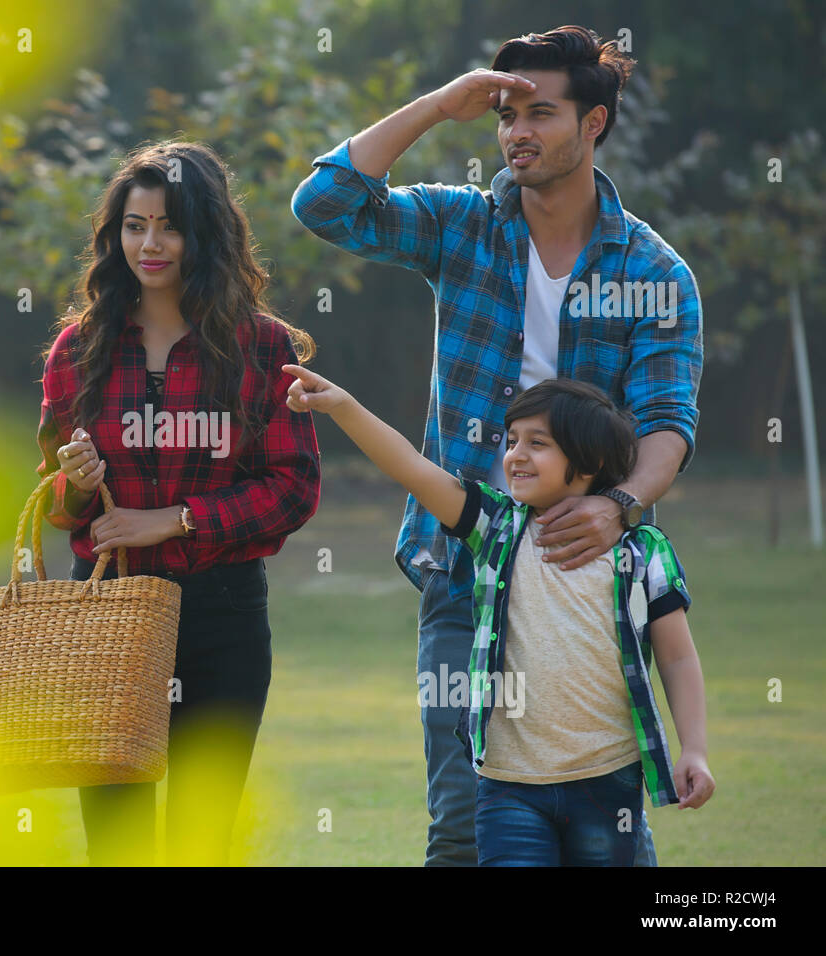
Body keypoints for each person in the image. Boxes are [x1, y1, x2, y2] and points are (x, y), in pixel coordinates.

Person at [290, 24, 703, 865]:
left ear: (593, 124)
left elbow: (667, 425)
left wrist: (618, 509)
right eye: (505, 114)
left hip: (586, 576)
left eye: (540, 113)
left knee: (603, 826)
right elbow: (324, 204)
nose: (516, 131)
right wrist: (441, 107)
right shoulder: (464, 225)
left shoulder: (655, 273)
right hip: (463, 565)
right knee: (463, 828)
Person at [284, 367, 715, 865]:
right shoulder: (493, 528)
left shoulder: (643, 553)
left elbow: (678, 659)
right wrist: (342, 406)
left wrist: (695, 750)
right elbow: (410, 467)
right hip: (508, 789)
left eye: (538, 442)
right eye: (512, 441)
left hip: (606, 783)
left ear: (591, 460)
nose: (516, 455)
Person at [36, 140, 322, 865]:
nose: (150, 244)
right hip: (109, 609)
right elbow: (63, 509)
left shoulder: (262, 347)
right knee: (117, 843)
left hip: (222, 614)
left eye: (169, 225)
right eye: (135, 226)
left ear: (206, 233)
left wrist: (179, 518)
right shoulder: (78, 349)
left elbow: (294, 488)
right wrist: (75, 476)